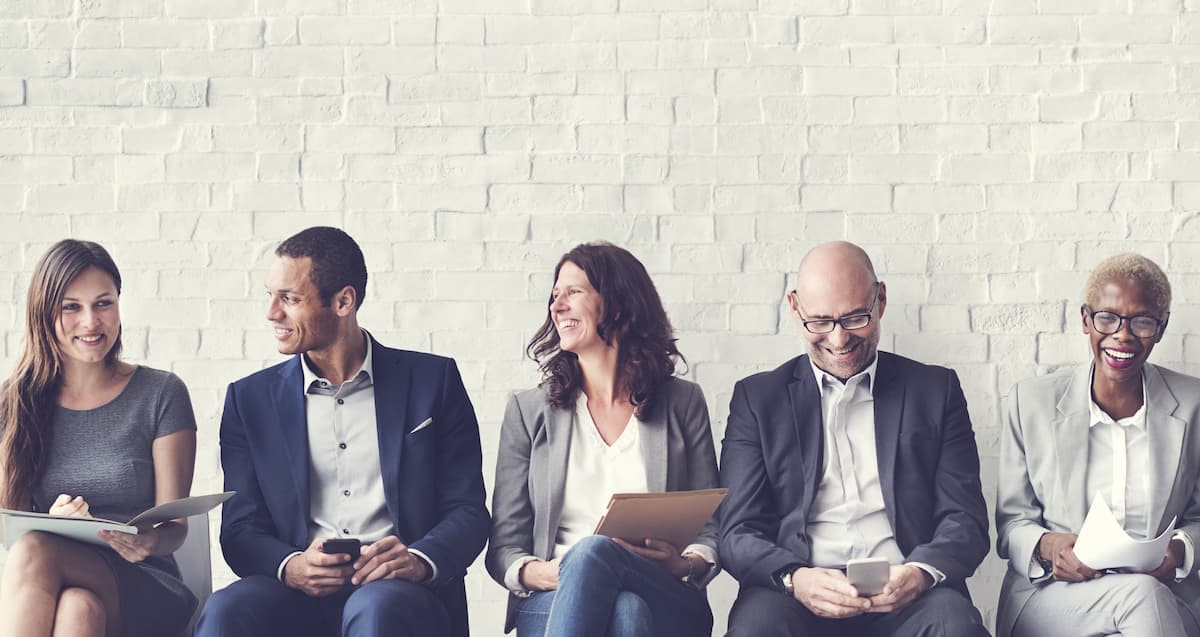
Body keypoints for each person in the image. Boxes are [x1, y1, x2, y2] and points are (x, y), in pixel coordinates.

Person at [196, 227, 489, 637]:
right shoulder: (250, 400)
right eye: (271, 296)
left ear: (343, 301)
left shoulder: (433, 381)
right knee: (227, 610)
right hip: (296, 592)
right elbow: (240, 528)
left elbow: (468, 510)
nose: (272, 314)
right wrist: (291, 566)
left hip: (398, 593)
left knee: (378, 608)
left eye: (290, 299)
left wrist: (418, 559)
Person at [719, 241, 990, 637]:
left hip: (909, 591)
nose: (839, 339)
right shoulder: (758, 399)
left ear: (880, 300)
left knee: (957, 627)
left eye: (855, 318)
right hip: (797, 593)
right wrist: (796, 578)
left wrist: (919, 573)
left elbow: (965, 518)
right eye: (821, 322)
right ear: (795, 307)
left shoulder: (935, 390)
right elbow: (736, 530)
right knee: (754, 629)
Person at [486, 242, 720, 637]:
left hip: (663, 591)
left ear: (616, 305)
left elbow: (711, 527)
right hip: (554, 596)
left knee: (597, 555)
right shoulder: (529, 413)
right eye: (555, 295)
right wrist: (551, 572)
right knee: (625, 610)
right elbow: (504, 547)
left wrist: (684, 564)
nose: (557, 306)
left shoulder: (683, 403)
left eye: (573, 292)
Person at [0, 239, 198, 637]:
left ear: (119, 305)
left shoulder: (160, 393)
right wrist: (52, 524)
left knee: (36, 549)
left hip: (145, 582)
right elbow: (9, 527)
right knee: (78, 609)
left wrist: (147, 542)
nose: (91, 322)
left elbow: (175, 525)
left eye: (103, 303)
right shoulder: (14, 402)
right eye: (71, 307)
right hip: (57, 582)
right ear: (44, 315)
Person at [996, 253, 1200, 637]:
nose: (1122, 335)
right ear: (1086, 320)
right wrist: (1048, 546)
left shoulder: (1193, 405)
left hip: (1166, 596)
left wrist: (1179, 551)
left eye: (1141, 321)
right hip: (1055, 597)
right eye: (1107, 318)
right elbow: (1011, 523)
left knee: (1144, 595)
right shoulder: (1032, 402)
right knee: (1141, 597)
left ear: (1161, 328)